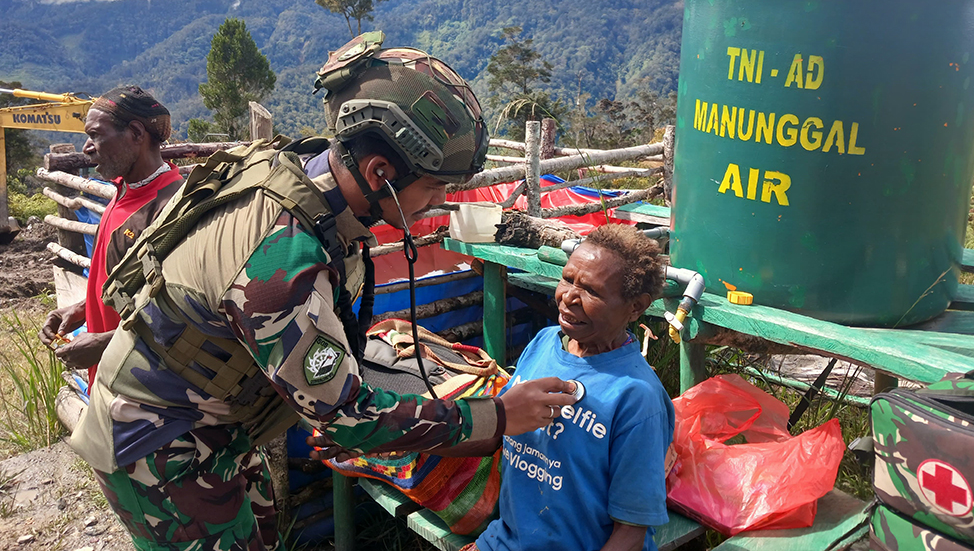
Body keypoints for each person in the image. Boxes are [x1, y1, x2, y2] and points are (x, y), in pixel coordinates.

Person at [68, 32, 578, 551]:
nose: (438, 202)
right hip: (159, 446)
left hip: (218, 425)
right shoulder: (279, 255)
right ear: (380, 172)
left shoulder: (303, 181)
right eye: (432, 187)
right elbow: (345, 416)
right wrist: (498, 416)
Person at [454, 224, 675, 551]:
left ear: (636, 306)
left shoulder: (636, 397)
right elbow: (494, 434)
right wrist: (408, 438)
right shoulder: (546, 343)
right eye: (568, 279)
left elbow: (630, 534)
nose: (569, 297)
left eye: (592, 291)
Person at [39, 86, 183, 389]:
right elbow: (126, 285)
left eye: (97, 135)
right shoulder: (123, 191)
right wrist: (81, 308)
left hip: (148, 396)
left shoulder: (172, 208)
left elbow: (181, 315)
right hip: (114, 385)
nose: (88, 147)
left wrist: (105, 343)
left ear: (135, 133)